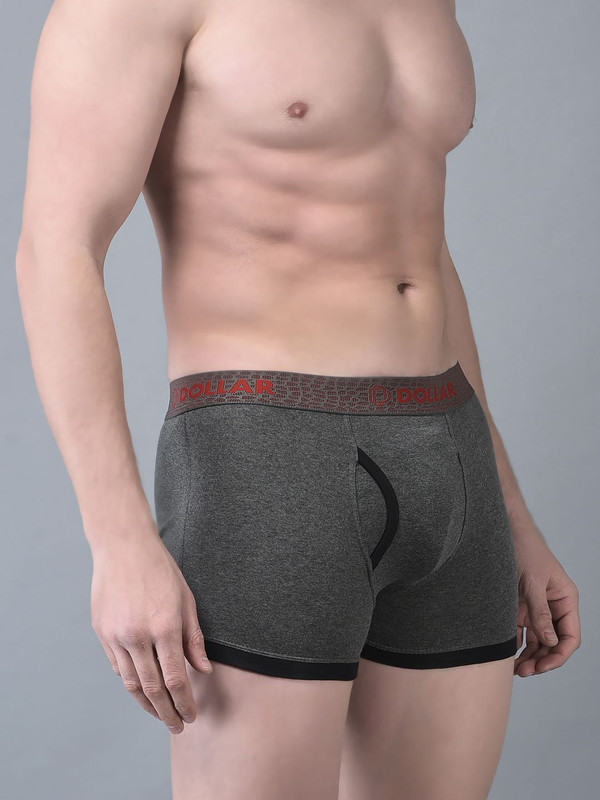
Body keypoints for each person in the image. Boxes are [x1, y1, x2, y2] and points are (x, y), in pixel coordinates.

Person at [15, 0, 581, 798]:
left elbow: (418, 251)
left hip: (450, 450)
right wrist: (117, 541)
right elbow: (56, 249)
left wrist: (512, 512)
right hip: (265, 459)